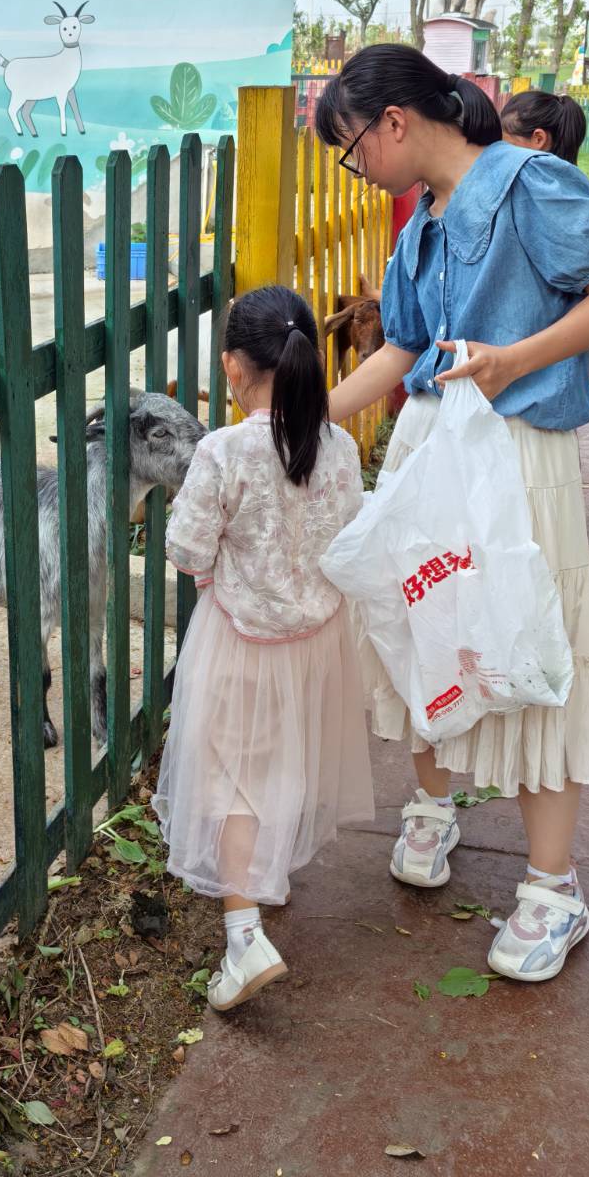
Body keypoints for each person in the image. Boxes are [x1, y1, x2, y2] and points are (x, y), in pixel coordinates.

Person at [320, 46, 589, 983]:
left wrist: (515, 358)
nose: (355, 166)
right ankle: (432, 808)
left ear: (393, 122)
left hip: (519, 454)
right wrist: (303, 419)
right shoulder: (423, 220)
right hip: (433, 447)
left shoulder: (528, 184)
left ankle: (552, 888)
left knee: (531, 642)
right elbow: (404, 348)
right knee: (423, 621)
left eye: (350, 145)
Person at [153, 286, 374, 1013]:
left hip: (241, 641)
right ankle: (267, 873)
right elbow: (347, 538)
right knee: (281, 763)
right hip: (316, 641)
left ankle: (243, 935)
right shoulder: (338, 445)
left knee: (229, 777)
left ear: (232, 366)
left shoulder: (225, 450)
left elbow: (187, 549)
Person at [501, 89, 589, 389]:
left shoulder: (546, 201)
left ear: (538, 139)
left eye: (503, 142)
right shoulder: (566, 191)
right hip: (551, 353)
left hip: (535, 368)